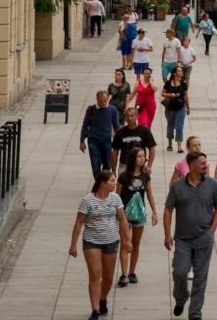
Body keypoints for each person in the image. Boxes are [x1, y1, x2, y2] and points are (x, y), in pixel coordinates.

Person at [163, 150, 217, 319]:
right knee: (179, 272)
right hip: (182, 239)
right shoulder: (177, 186)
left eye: (206, 162)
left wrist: (212, 230)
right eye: (202, 163)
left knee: (200, 277)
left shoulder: (212, 184)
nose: (206, 165)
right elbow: (168, 210)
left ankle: (195, 313)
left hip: (204, 238)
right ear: (192, 166)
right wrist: (167, 234)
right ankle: (181, 298)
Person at [69, 170, 131, 320]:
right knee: (95, 275)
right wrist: (73, 245)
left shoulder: (115, 199)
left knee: (108, 277)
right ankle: (95, 309)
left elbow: (122, 220)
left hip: (111, 241)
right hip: (92, 242)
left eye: (114, 180)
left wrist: (127, 240)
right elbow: (79, 222)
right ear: (103, 183)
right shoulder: (88, 200)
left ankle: (103, 298)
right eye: (111, 181)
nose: (114, 183)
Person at [116, 147, 157, 288]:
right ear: (133, 158)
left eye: (143, 156)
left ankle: (132, 272)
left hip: (139, 214)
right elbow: (117, 196)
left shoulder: (145, 176)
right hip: (125, 215)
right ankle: (124, 274)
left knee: (136, 243)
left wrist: (154, 211)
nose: (142, 158)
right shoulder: (123, 177)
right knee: (126, 243)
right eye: (139, 156)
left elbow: (150, 194)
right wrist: (118, 214)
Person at [80, 90, 121, 179]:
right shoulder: (91, 110)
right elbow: (85, 125)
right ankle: (98, 185)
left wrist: (118, 141)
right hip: (93, 141)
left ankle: (104, 183)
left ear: (108, 99)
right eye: (101, 101)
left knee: (107, 165)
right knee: (95, 166)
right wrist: (82, 141)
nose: (103, 103)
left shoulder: (112, 110)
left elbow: (116, 126)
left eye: (105, 101)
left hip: (106, 141)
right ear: (97, 100)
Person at [113, 105, 156, 171]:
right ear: (125, 117)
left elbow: (152, 149)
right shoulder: (120, 132)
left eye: (132, 116)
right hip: (124, 166)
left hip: (140, 166)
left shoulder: (145, 131)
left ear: (136, 116)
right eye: (127, 116)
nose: (130, 118)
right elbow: (115, 152)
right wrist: (113, 170)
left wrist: (149, 165)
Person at [162, 65, 190, 152]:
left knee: (179, 126)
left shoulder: (183, 84)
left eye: (181, 71)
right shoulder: (168, 83)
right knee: (170, 126)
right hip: (170, 108)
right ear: (174, 73)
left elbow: (185, 96)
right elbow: (162, 93)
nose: (181, 72)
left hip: (181, 108)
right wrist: (170, 95)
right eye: (179, 71)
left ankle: (179, 147)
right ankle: (170, 144)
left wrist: (188, 107)